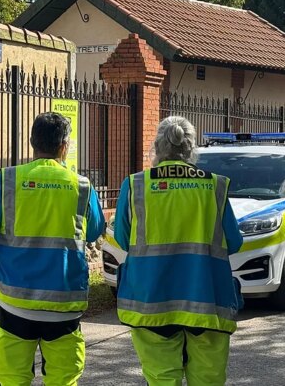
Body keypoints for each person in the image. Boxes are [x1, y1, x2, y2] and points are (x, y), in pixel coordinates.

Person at [0, 112, 105, 386]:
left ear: (32, 142)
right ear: (64, 145)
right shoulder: (81, 186)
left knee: (12, 379)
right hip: (64, 304)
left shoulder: (7, 181)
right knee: (63, 380)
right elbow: (94, 231)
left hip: (15, 303)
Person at [113, 116, 243, 386]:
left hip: (151, 301)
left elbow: (124, 240)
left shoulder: (136, 185)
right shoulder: (214, 185)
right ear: (191, 148)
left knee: (161, 379)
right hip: (207, 300)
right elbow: (234, 242)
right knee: (208, 379)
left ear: (157, 147)